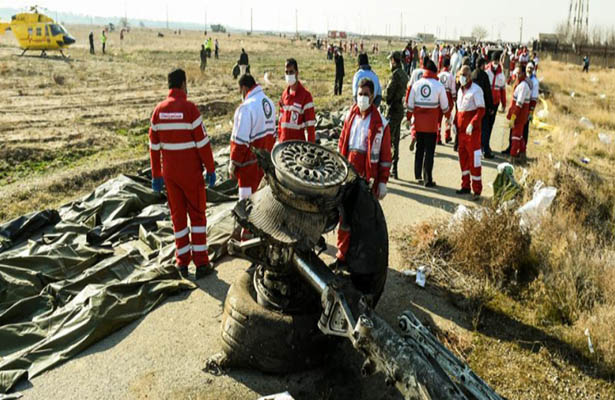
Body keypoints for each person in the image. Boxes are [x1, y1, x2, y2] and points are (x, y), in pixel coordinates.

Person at [148, 68, 217, 279]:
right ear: (183, 84)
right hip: (191, 174)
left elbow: (153, 146)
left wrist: (156, 174)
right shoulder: (190, 109)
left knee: (178, 218)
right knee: (197, 216)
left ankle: (182, 263)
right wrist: (211, 168)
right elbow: (203, 143)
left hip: (170, 176)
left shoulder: (158, 111)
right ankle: (202, 263)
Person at [335, 78, 392, 267]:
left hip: (367, 177)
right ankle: (342, 256)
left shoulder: (381, 124)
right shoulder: (350, 117)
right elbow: (342, 143)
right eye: (360, 94)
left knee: (363, 220)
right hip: (348, 171)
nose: (362, 98)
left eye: (366, 95)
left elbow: (384, 155)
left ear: (373, 96)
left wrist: (382, 181)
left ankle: (360, 260)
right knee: (344, 218)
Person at [229, 74, 276, 201]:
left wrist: (233, 165)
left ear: (244, 89)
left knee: (247, 210)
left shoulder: (246, 108)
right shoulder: (270, 104)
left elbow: (240, 142)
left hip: (248, 171)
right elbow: (273, 135)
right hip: (265, 168)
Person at [405, 59, 450, 187]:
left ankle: (417, 174)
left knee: (419, 148)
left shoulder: (416, 84)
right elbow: (445, 106)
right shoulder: (439, 85)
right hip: (431, 125)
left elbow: (410, 104)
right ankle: (427, 179)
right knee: (429, 152)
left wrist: (408, 118)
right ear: (434, 72)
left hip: (418, 124)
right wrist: (448, 117)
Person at [454, 66, 486, 200]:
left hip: (472, 134)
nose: (462, 77)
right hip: (461, 133)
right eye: (460, 74)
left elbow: (481, 110)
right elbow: (459, 110)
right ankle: (465, 185)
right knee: (463, 160)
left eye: (465, 75)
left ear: (469, 76)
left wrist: (473, 123)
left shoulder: (476, 90)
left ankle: (477, 190)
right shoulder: (460, 91)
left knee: (474, 161)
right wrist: (455, 124)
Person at [277, 58, 316, 143]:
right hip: (283, 145)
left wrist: (311, 149)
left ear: (297, 73)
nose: (288, 75)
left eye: (291, 72)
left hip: (297, 149)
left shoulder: (306, 96)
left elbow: (310, 128)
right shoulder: (284, 95)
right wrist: (279, 141)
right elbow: (280, 122)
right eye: (286, 72)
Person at [385, 51, 409, 179]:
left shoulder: (394, 76)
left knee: (388, 140)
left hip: (393, 108)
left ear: (394, 60)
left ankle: (387, 168)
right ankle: (395, 168)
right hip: (400, 108)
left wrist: (384, 94)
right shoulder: (405, 74)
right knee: (396, 140)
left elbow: (388, 94)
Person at [483, 52, 507, 158]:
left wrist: (504, 104)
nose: (496, 63)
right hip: (486, 102)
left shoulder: (501, 74)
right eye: (494, 61)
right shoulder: (486, 71)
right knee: (485, 125)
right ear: (491, 61)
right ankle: (484, 146)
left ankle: (486, 144)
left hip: (495, 103)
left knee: (490, 125)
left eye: (497, 61)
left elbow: (503, 90)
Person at [506, 65, 532, 163]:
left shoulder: (523, 86)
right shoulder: (520, 84)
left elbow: (519, 104)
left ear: (523, 73)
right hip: (518, 115)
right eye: (516, 73)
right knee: (520, 137)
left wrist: (513, 117)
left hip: (519, 116)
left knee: (515, 136)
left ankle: (512, 157)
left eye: (518, 73)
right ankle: (522, 155)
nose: (516, 75)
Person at [471, 57, 495, 157]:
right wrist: (491, 106)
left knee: (474, 128)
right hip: (482, 105)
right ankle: (486, 150)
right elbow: (488, 93)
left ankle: (474, 149)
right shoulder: (484, 75)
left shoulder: (472, 74)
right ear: (482, 65)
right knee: (484, 129)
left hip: (472, 106)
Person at [437, 57, 456, 145]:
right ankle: (447, 136)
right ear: (449, 65)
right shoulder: (450, 75)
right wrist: (454, 99)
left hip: (439, 97)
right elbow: (453, 90)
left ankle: (437, 138)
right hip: (448, 97)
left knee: (438, 119)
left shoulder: (438, 75)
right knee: (448, 118)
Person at [524, 62, 540, 151]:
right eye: (528, 68)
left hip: (528, 106)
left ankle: (523, 148)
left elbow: (534, 98)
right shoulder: (523, 77)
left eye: (531, 68)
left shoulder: (535, 82)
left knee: (525, 128)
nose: (529, 70)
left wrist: (531, 112)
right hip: (520, 106)